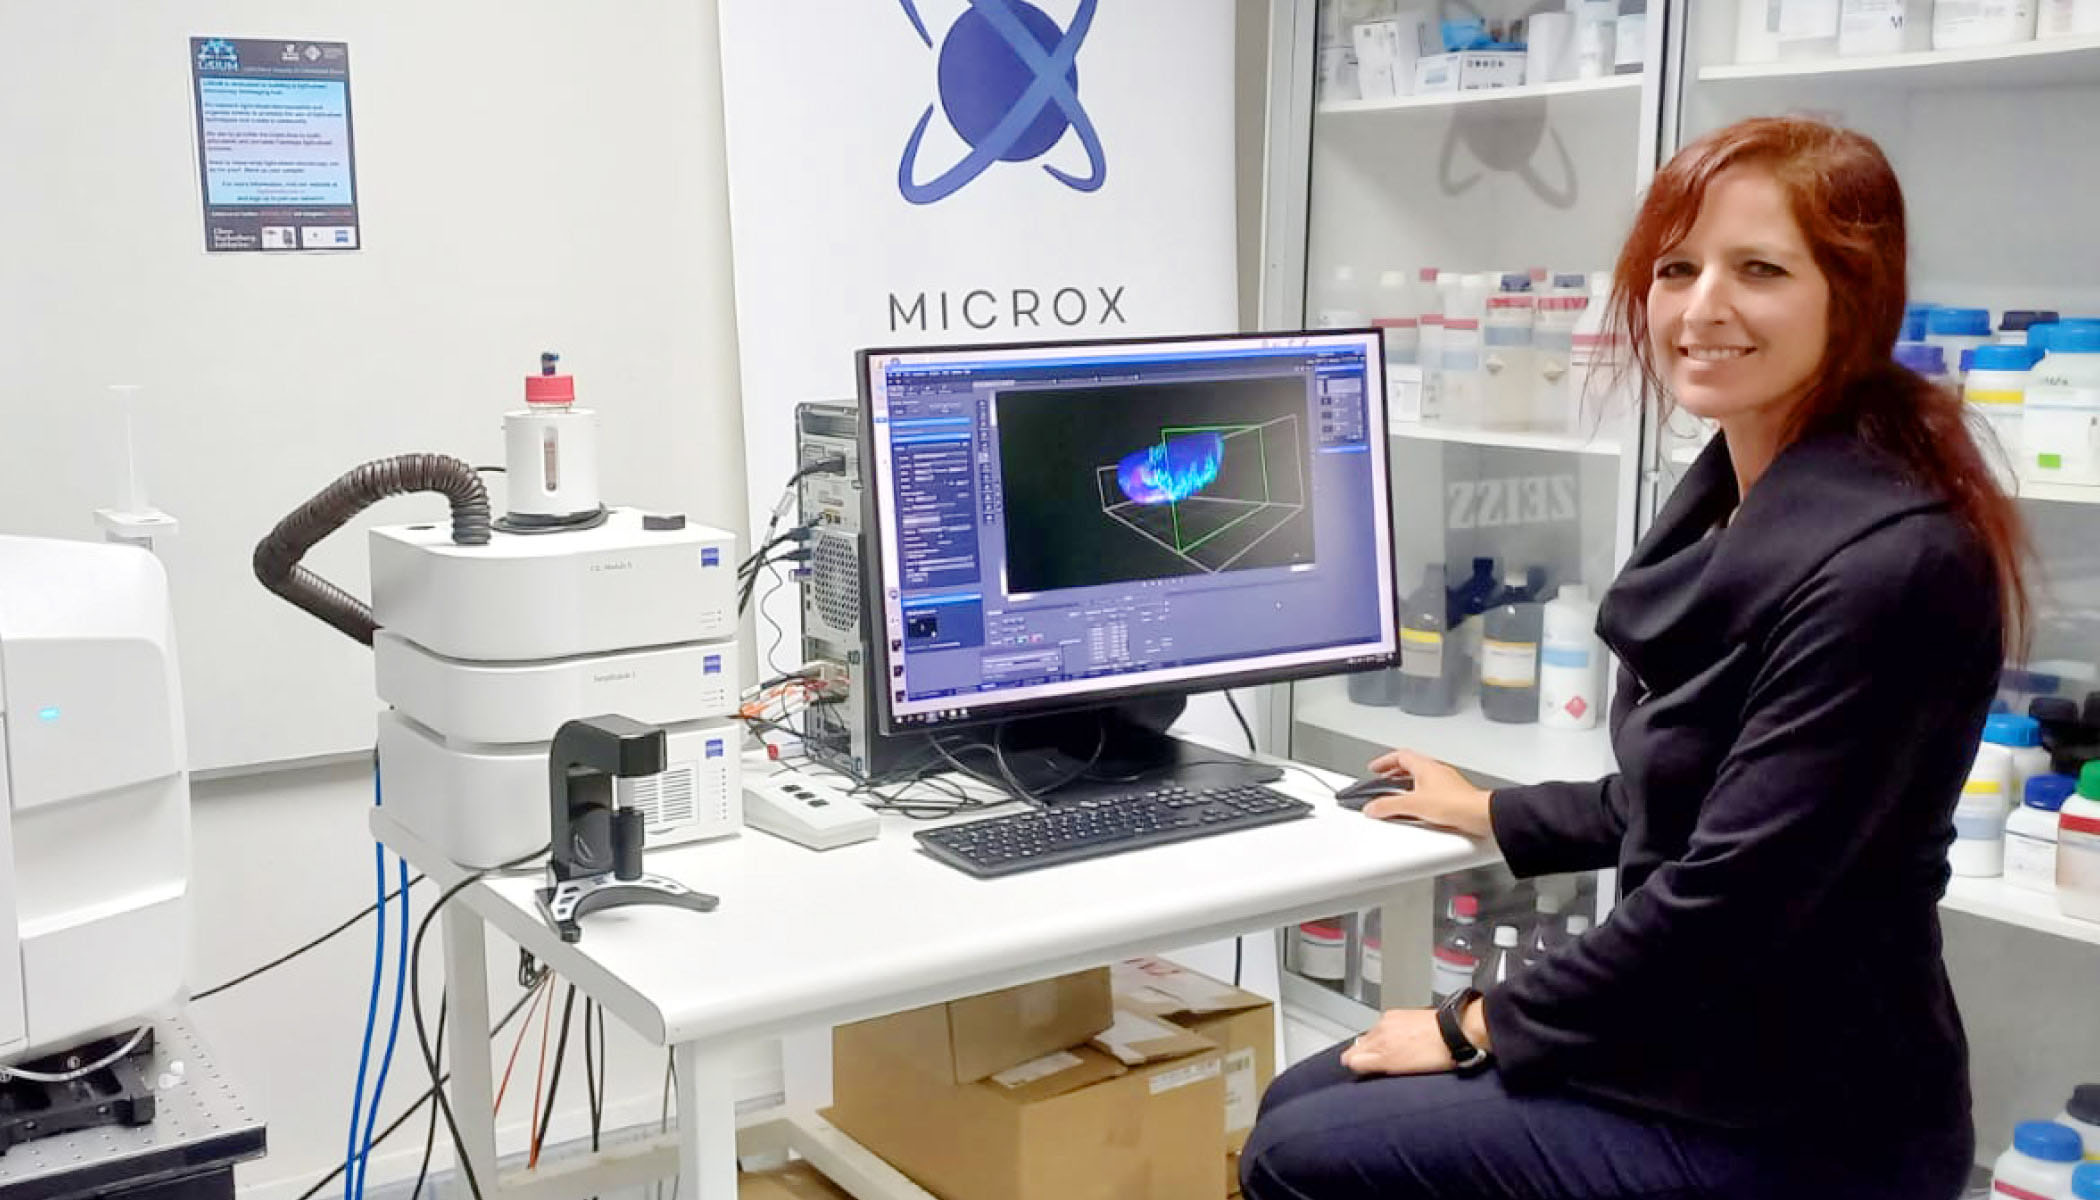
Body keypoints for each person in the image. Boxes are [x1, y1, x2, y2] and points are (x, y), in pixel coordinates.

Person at [1240, 116, 2029, 1200]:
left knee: (1299, 1152)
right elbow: (1706, 789)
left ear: (1854, 294)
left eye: (1759, 269)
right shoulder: (1737, 489)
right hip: (1707, 1038)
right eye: (1677, 267)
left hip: (1796, 1120)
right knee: (1301, 1102)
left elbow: (1734, 895)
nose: (1702, 307)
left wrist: (1476, 1024)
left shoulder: (1892, 565)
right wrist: (1493, 814)